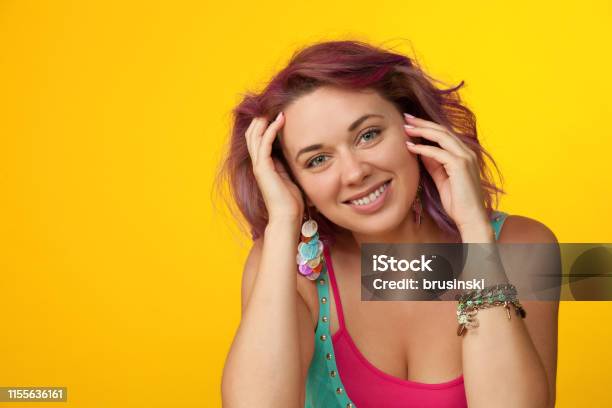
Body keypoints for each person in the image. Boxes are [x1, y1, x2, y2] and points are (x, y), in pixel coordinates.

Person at [217, 40, 558, 408]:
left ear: (415, 127)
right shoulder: (287, 266)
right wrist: (284, 221)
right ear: (295, 182)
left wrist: (474, 230)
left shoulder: (524, 247)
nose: (354, 172)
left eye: (368, 135)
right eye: (317, 160)